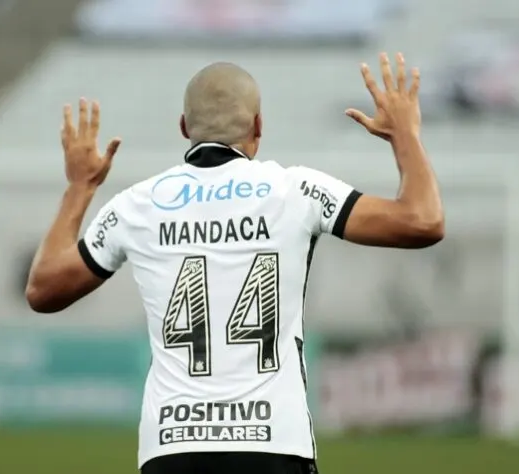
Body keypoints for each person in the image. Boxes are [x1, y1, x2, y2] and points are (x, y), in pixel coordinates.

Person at [26, 52, 443, 474]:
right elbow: (423, 221)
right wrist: (404, 134)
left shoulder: (137, 205)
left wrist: (80, 187)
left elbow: (43, 290)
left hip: (172, 448)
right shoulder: (295, 190)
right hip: (274, 444)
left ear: (185, 128)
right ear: (258, 126)